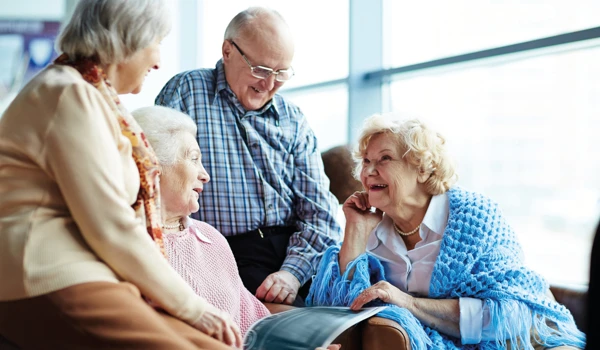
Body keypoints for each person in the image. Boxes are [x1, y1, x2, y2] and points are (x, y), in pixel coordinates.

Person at [0, 1, 240, 349]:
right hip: (44, 272)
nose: (158, 60)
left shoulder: (95, 98)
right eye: (156, 42)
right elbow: (111, 225)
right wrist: (194, 308)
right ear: (127, 40)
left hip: (87, 272)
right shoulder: (67, 94)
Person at [308, 114, 586, 349]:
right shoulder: (370, 224)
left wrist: (410, 304)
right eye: (366, 161)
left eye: (384, 159)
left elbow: (507, 314)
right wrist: (355, 231)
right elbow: (339, 312)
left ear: (422, 169)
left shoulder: (475, 217)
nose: (369, 171)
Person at [155, 7, 342, 307]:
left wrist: (291, 274)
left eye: (281, 73)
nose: (269, 84)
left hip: (294, 254)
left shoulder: (293, 119)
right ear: (227, 51)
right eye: (261, 69)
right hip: (220, 253)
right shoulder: (187, 91)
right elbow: (158, 181)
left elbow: (322, 215)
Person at [131, 106, 342, 350]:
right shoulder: (129, 244)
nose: (205, 175)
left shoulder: (211, 239)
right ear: (154, 166)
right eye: (193, 159)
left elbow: (252, 324)